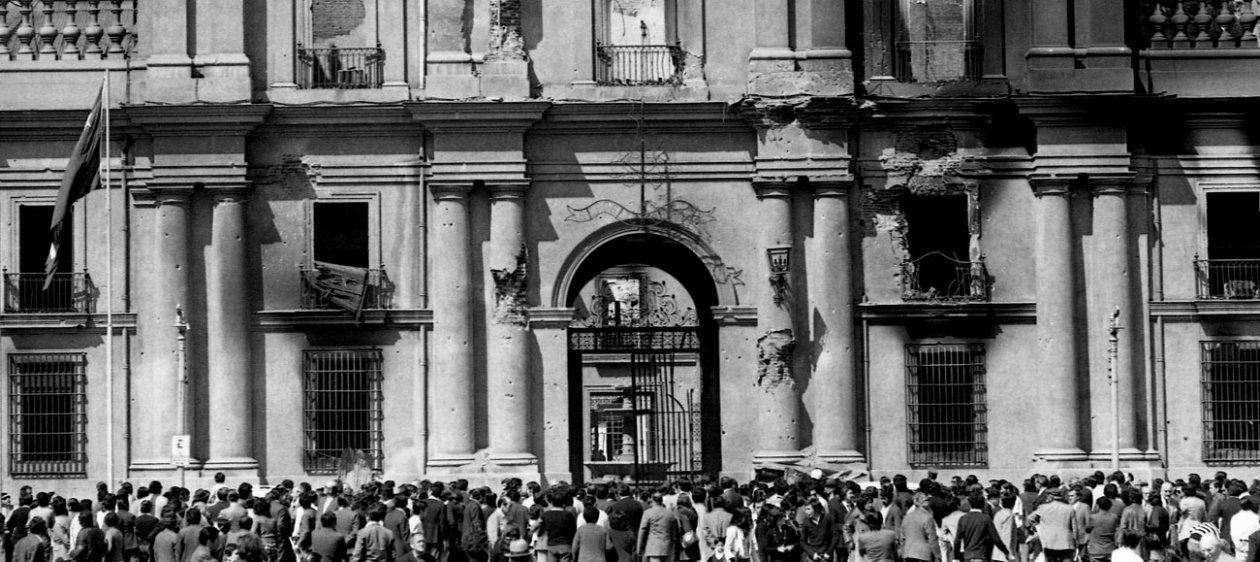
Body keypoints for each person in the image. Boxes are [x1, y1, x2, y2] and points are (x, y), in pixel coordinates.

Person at [952, 492, 1010, 562]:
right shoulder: (986, 518)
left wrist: (956, 557)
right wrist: (1006, 552)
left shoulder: (963, 518)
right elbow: (996, 539)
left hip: (967, 555)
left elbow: (957, 540)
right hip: (981, 555)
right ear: (983, 504)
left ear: (970, 504)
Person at [1031, 488, 1075, 562]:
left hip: (1049, 540)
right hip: (1065, 541)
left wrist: (1038, 528)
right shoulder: (1068, 506)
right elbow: (1073, 526)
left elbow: (1031, 519)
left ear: (1050, 496)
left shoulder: (1044, 507)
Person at [902, 491, 939, 562]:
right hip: (922, 554)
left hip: (907, 553)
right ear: (922, 502)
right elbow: (932, 538)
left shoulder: (907, 517)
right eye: (927, 500)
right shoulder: (927, 517)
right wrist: (937, 556)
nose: (929, 502)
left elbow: (903, 537)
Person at [1087, 497, 1120, 562]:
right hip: (1110, 549)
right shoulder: (1114, 517)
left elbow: (1087, 529)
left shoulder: (1093, 517)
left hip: (1096, 550)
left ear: (1098, 506)